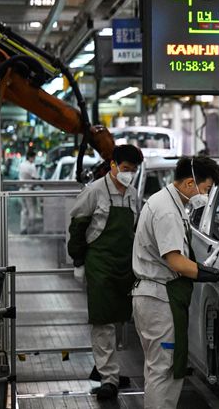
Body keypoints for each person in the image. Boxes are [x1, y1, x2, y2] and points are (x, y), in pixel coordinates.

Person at [131, 155, 219, 409]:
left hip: (158, 296)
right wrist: (214, 274)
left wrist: (207, 264)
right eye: (206, 189)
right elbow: (176, 262)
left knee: (163, 368)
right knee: (163, 370)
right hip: (159, 299)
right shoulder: (167, 212)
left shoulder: (169, 203)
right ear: (190, 183)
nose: (206, 195)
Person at [67, 144, 143, 400]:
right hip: (99, 264)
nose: (129, 174)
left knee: (119, 319)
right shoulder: (94, 191)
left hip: (124, 265)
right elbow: (77, 227)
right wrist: (78, 261)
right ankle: (109, 378)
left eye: (133, 170)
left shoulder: (133, 194)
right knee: (102, 321)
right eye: (125, 168)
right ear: (113, 165)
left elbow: (134, 230)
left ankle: (107, 369)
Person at [19, 149, 39, 234]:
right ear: (31, 157)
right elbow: (35, 178)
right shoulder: (32, 166)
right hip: (29, 190)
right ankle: (32, 229)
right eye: (34, 158)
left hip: (21, 190)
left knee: (24, 210)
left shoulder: (21, 165)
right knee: (31, 209)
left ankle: (23, 228)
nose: (34, 159)